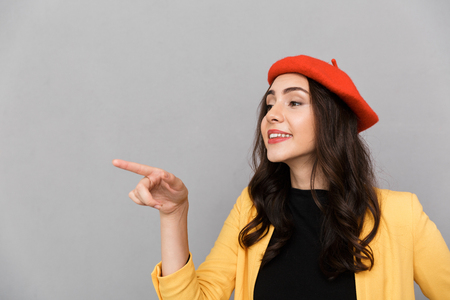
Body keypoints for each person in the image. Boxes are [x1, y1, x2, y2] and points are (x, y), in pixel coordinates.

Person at [112, 55, 450, 300]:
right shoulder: (252, 209)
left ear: (331, 120)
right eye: (270, 104)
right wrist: (173, 214)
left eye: (294, 102)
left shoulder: (401, 214)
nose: (272, 115)